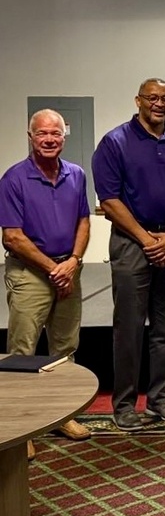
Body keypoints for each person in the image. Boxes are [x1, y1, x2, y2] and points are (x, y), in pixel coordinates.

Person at [92, 78, 165, 432]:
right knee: (129, 328)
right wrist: (146, 239)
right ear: (138, 100)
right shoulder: (114, 142)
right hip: (130, 243)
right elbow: (109, 200)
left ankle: (159, 398)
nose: (159, 104)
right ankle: (124, 404)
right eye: (152, 98)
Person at [1, 109, 92, 446]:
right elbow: (12, 237)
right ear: (30, 137)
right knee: (23, 351)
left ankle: (62, 417)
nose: (50, 139)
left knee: (66, 347)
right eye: (42, 134)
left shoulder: (77, 175)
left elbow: (84, 221)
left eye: (55, 133)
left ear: (64, 137)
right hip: (30, 273)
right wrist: (54, 269)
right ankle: (20, 430)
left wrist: (73, 261)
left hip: (68, 270)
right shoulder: (13, 179)